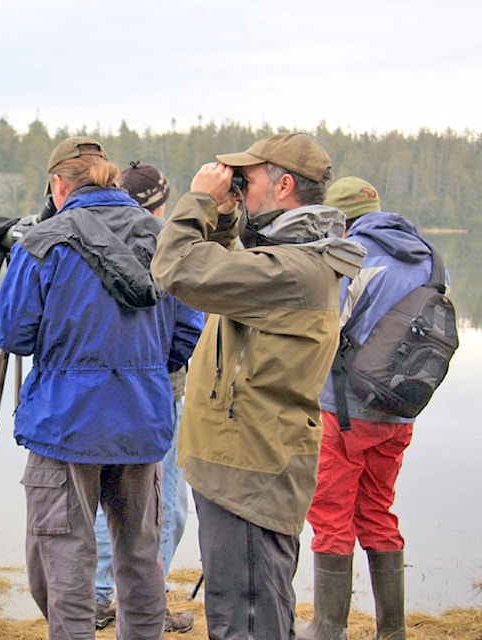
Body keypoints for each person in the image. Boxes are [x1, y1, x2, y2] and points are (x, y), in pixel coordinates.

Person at [150, 133, 367, 640]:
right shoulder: (296, 259)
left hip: (249, 469)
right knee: (250, 611)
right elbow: (227, 280)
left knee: (248, 623)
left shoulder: (296, 269)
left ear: (285, 184)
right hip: (243, 464)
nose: (241, 187)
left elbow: (177, 268)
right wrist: (227, 217)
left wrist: (201, 201)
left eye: (251, 178)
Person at [0, 137, 199, 640]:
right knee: (140, 555)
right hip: (142, 421)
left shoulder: (44, 242)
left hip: (64, 425)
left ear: (58, 184)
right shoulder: (161, 237)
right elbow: (190, 328)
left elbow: (13, 334)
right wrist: (145, 372)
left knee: (64, 557)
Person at [297, 177, 431, 640]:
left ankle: (328, 627)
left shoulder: (353, 257)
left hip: (345, 412)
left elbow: (326, 327)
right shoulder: (428, 256)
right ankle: (392, 631)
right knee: (377, 510)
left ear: (339, 218)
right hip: (400, 412)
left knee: (331, 514)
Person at [92, 160, 199, 634]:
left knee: (109, 505)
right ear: (159, 205)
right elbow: (188, 328)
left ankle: (98, 597)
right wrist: (167, 369)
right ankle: (143, 603)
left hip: (101, 394)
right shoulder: (165, 247)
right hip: (157, 396)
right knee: (163, 506)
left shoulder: (86, 240)